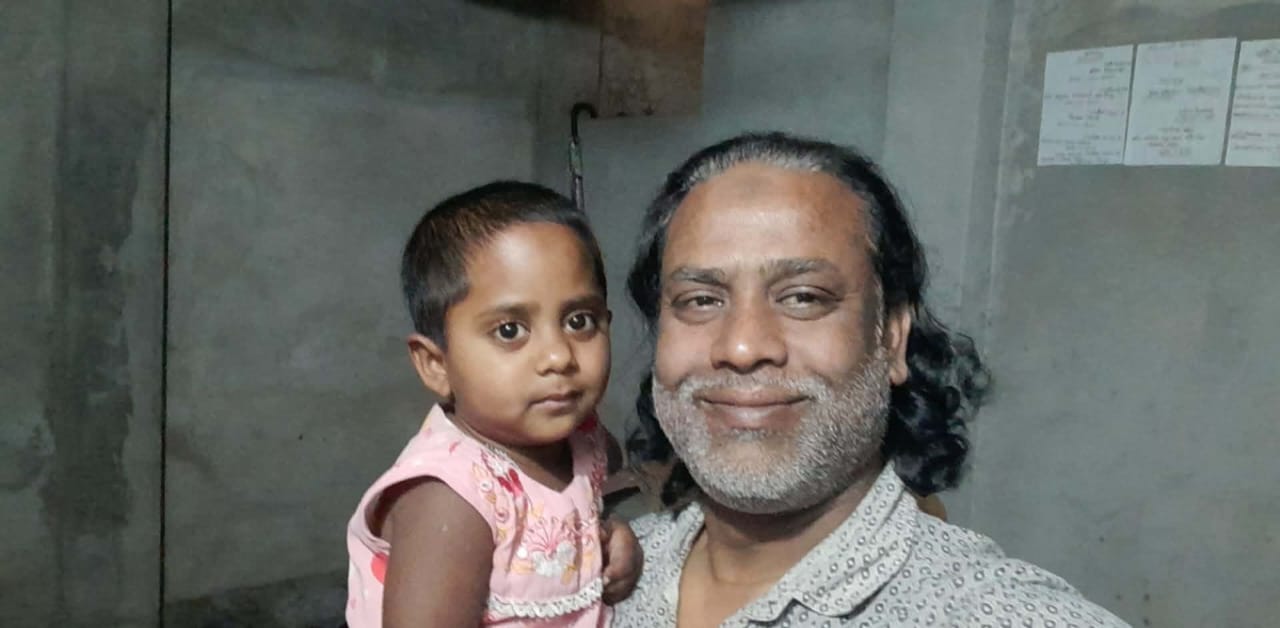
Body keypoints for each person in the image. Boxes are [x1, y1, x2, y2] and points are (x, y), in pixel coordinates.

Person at [612, 133, 1128, 627]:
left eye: (804, 297)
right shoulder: (595, 573)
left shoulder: (998, 615)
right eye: (700, 300)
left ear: (892, 339)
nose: (742, 348)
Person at [345, 182, 641, 627]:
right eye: (509, 330)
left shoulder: (584, 441)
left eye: (580, 321)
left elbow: (583, 514)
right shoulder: (451, 500)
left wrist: (614, 539)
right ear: (436, 365)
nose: (558, 356)